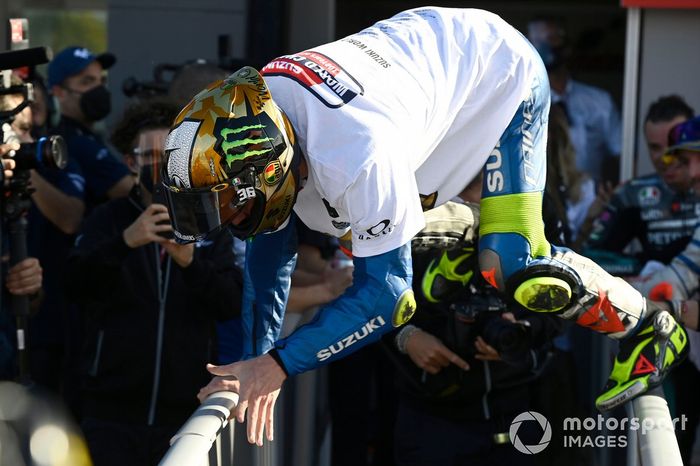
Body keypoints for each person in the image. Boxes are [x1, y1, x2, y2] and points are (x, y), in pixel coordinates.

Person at [161, 7, 687, 445]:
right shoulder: (260, 108)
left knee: (511, 264)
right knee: (357, 228)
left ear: (267, 167)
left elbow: (388, 299)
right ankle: (459, 226)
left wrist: (276, 366)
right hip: (418, 74)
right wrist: (249, 367)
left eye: (226, 203)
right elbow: (269, 254)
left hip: (499, 74)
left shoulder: (355, 154)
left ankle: (645, 327)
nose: (225, 218)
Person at [65, 98, 242, 466]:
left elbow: (230, 303)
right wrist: (126, 242)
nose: (162, 167)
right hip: (110, 413)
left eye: (172, 154)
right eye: (151, 157)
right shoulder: (108, 219)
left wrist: (191, 263)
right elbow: (75, 286)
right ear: (131, 162)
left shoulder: (208, 221)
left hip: (182, 410)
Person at [583, 96, 697, 275]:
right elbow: (591, 259)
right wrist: (644, 266)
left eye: (673, 145)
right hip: (657, 296)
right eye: (655, 148)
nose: (664, 157)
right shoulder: (631, 194)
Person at [527, 16, 622, 185]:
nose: (542, 46)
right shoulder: (521, 101)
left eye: (550, 39)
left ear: (566, 47)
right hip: (540, 199)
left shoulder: (599, 102)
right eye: (535, 41)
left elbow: (624, 155)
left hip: (590, 202)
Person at [48, 46, 134, 210]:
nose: (99, 89)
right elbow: (130, 191)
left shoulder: (90, 136)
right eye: (87, 81)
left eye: (101, 81)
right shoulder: (73, 142)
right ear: (59, 92)